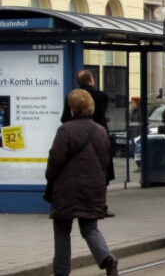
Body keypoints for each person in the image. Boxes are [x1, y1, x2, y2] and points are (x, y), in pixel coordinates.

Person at [47, 89, 119, 276]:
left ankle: (61, 272)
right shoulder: (101, 131)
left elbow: (55, 159)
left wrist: (50, 177)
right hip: (93, 188)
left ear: (72, 108)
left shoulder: (65, 130)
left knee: (62, 230)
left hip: (67, 189)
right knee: (90, 228)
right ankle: (107, 258)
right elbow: (105, 161)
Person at [62, 70, 115, 217]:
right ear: (91, 79)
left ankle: (79, 204)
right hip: (99, 137)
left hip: (77, 140)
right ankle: (100, 206)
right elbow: (102, 114)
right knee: (101, 171)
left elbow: (64, 119)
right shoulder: (102, 96)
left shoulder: (70, 98)